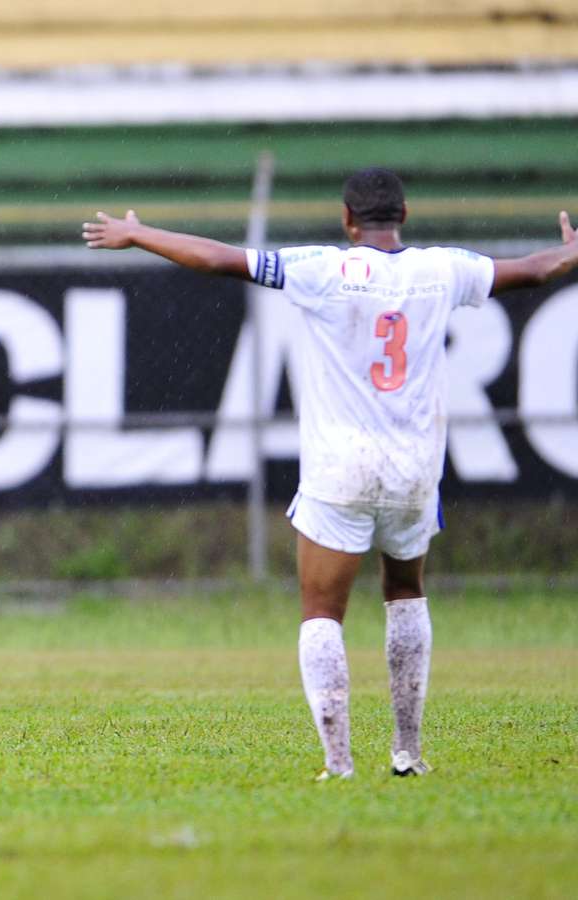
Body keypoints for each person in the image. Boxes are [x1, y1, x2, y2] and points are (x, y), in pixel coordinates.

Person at [82, 167, 578, 779]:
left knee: (321, 611)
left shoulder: (322, 269)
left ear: (347, 219)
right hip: (415, 465)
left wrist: (140, 234)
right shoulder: (444, 269)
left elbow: (219, 259)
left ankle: (339, 762)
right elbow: (534, 269)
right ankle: (408, 751)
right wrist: (570, 251)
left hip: (341, 466)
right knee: (406, 593)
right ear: (405, 214)